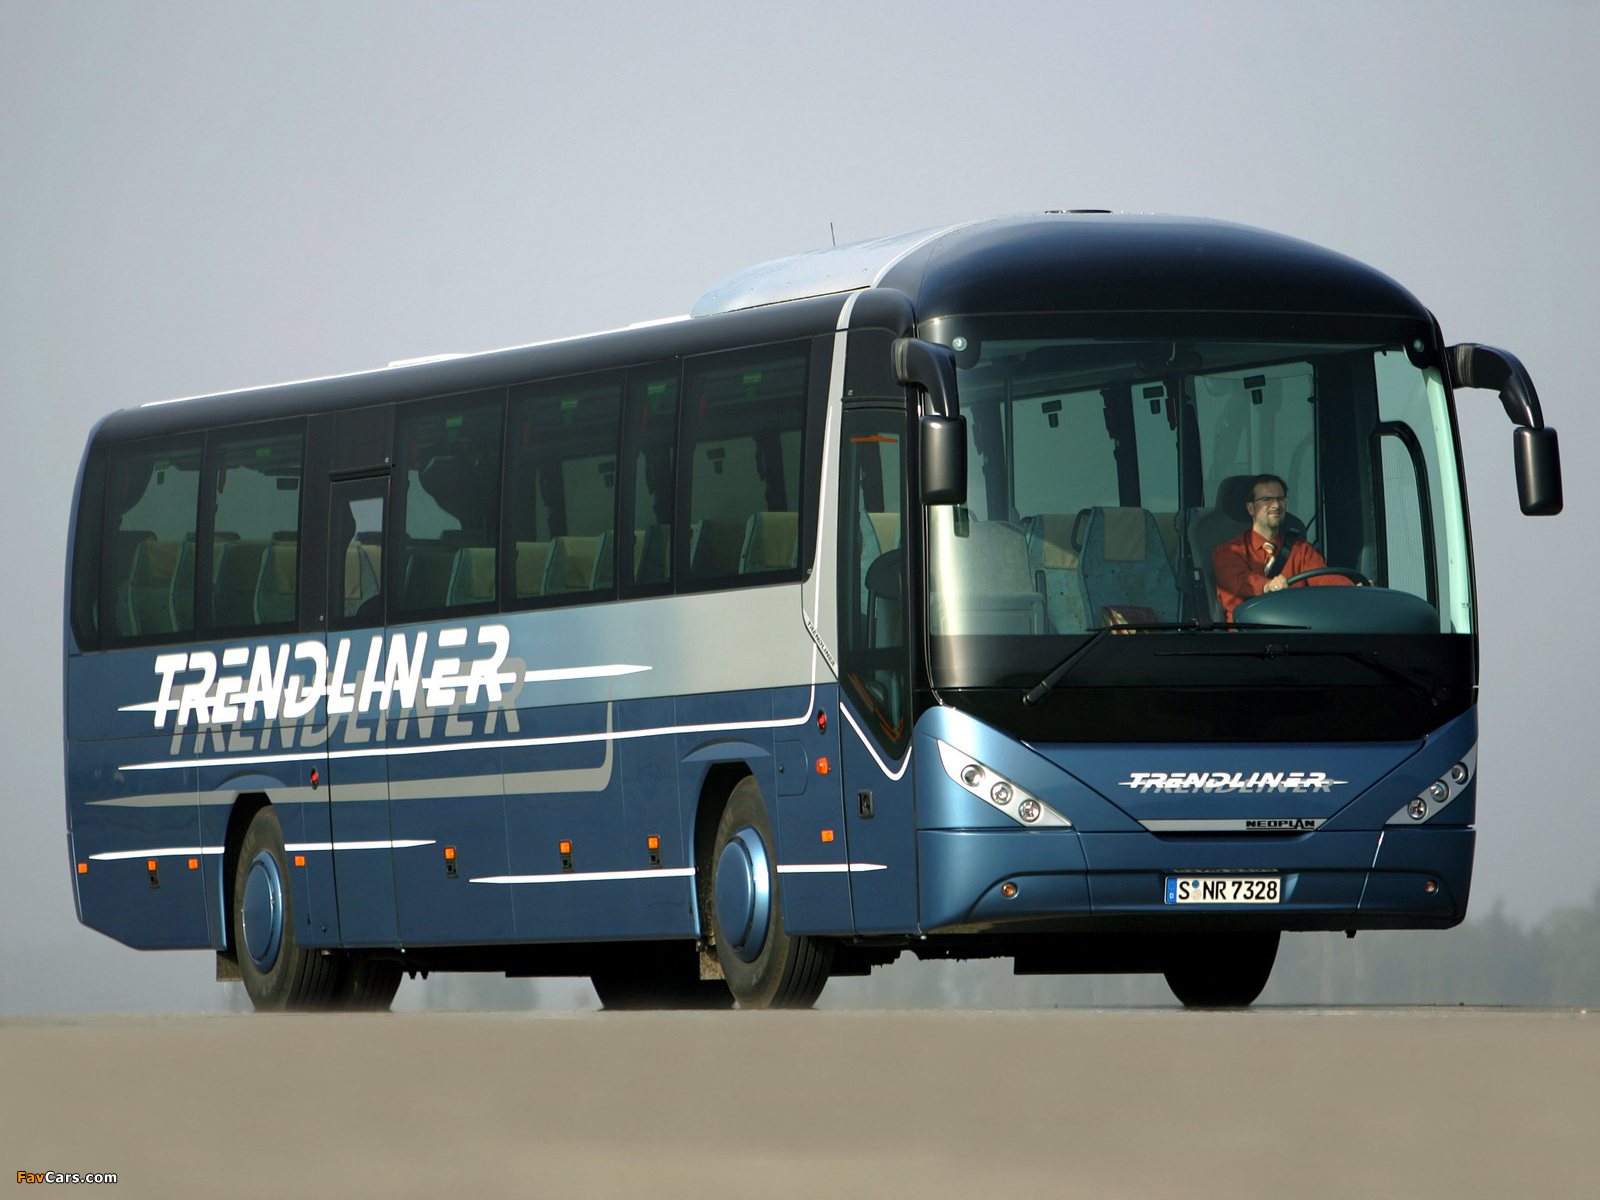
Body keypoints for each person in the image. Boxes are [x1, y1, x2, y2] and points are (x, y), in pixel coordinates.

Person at [1212, 474, 1350, 621]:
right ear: (1251, 508)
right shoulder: (1229, 551)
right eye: (1267, 499)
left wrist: (1351, 589)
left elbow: (1325, 579)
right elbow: (1238, 580)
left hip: (1294, 629)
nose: (1276, 505)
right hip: (1247, 632)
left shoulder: (1302, 550)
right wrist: (1267, 586)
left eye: (1280, 499)